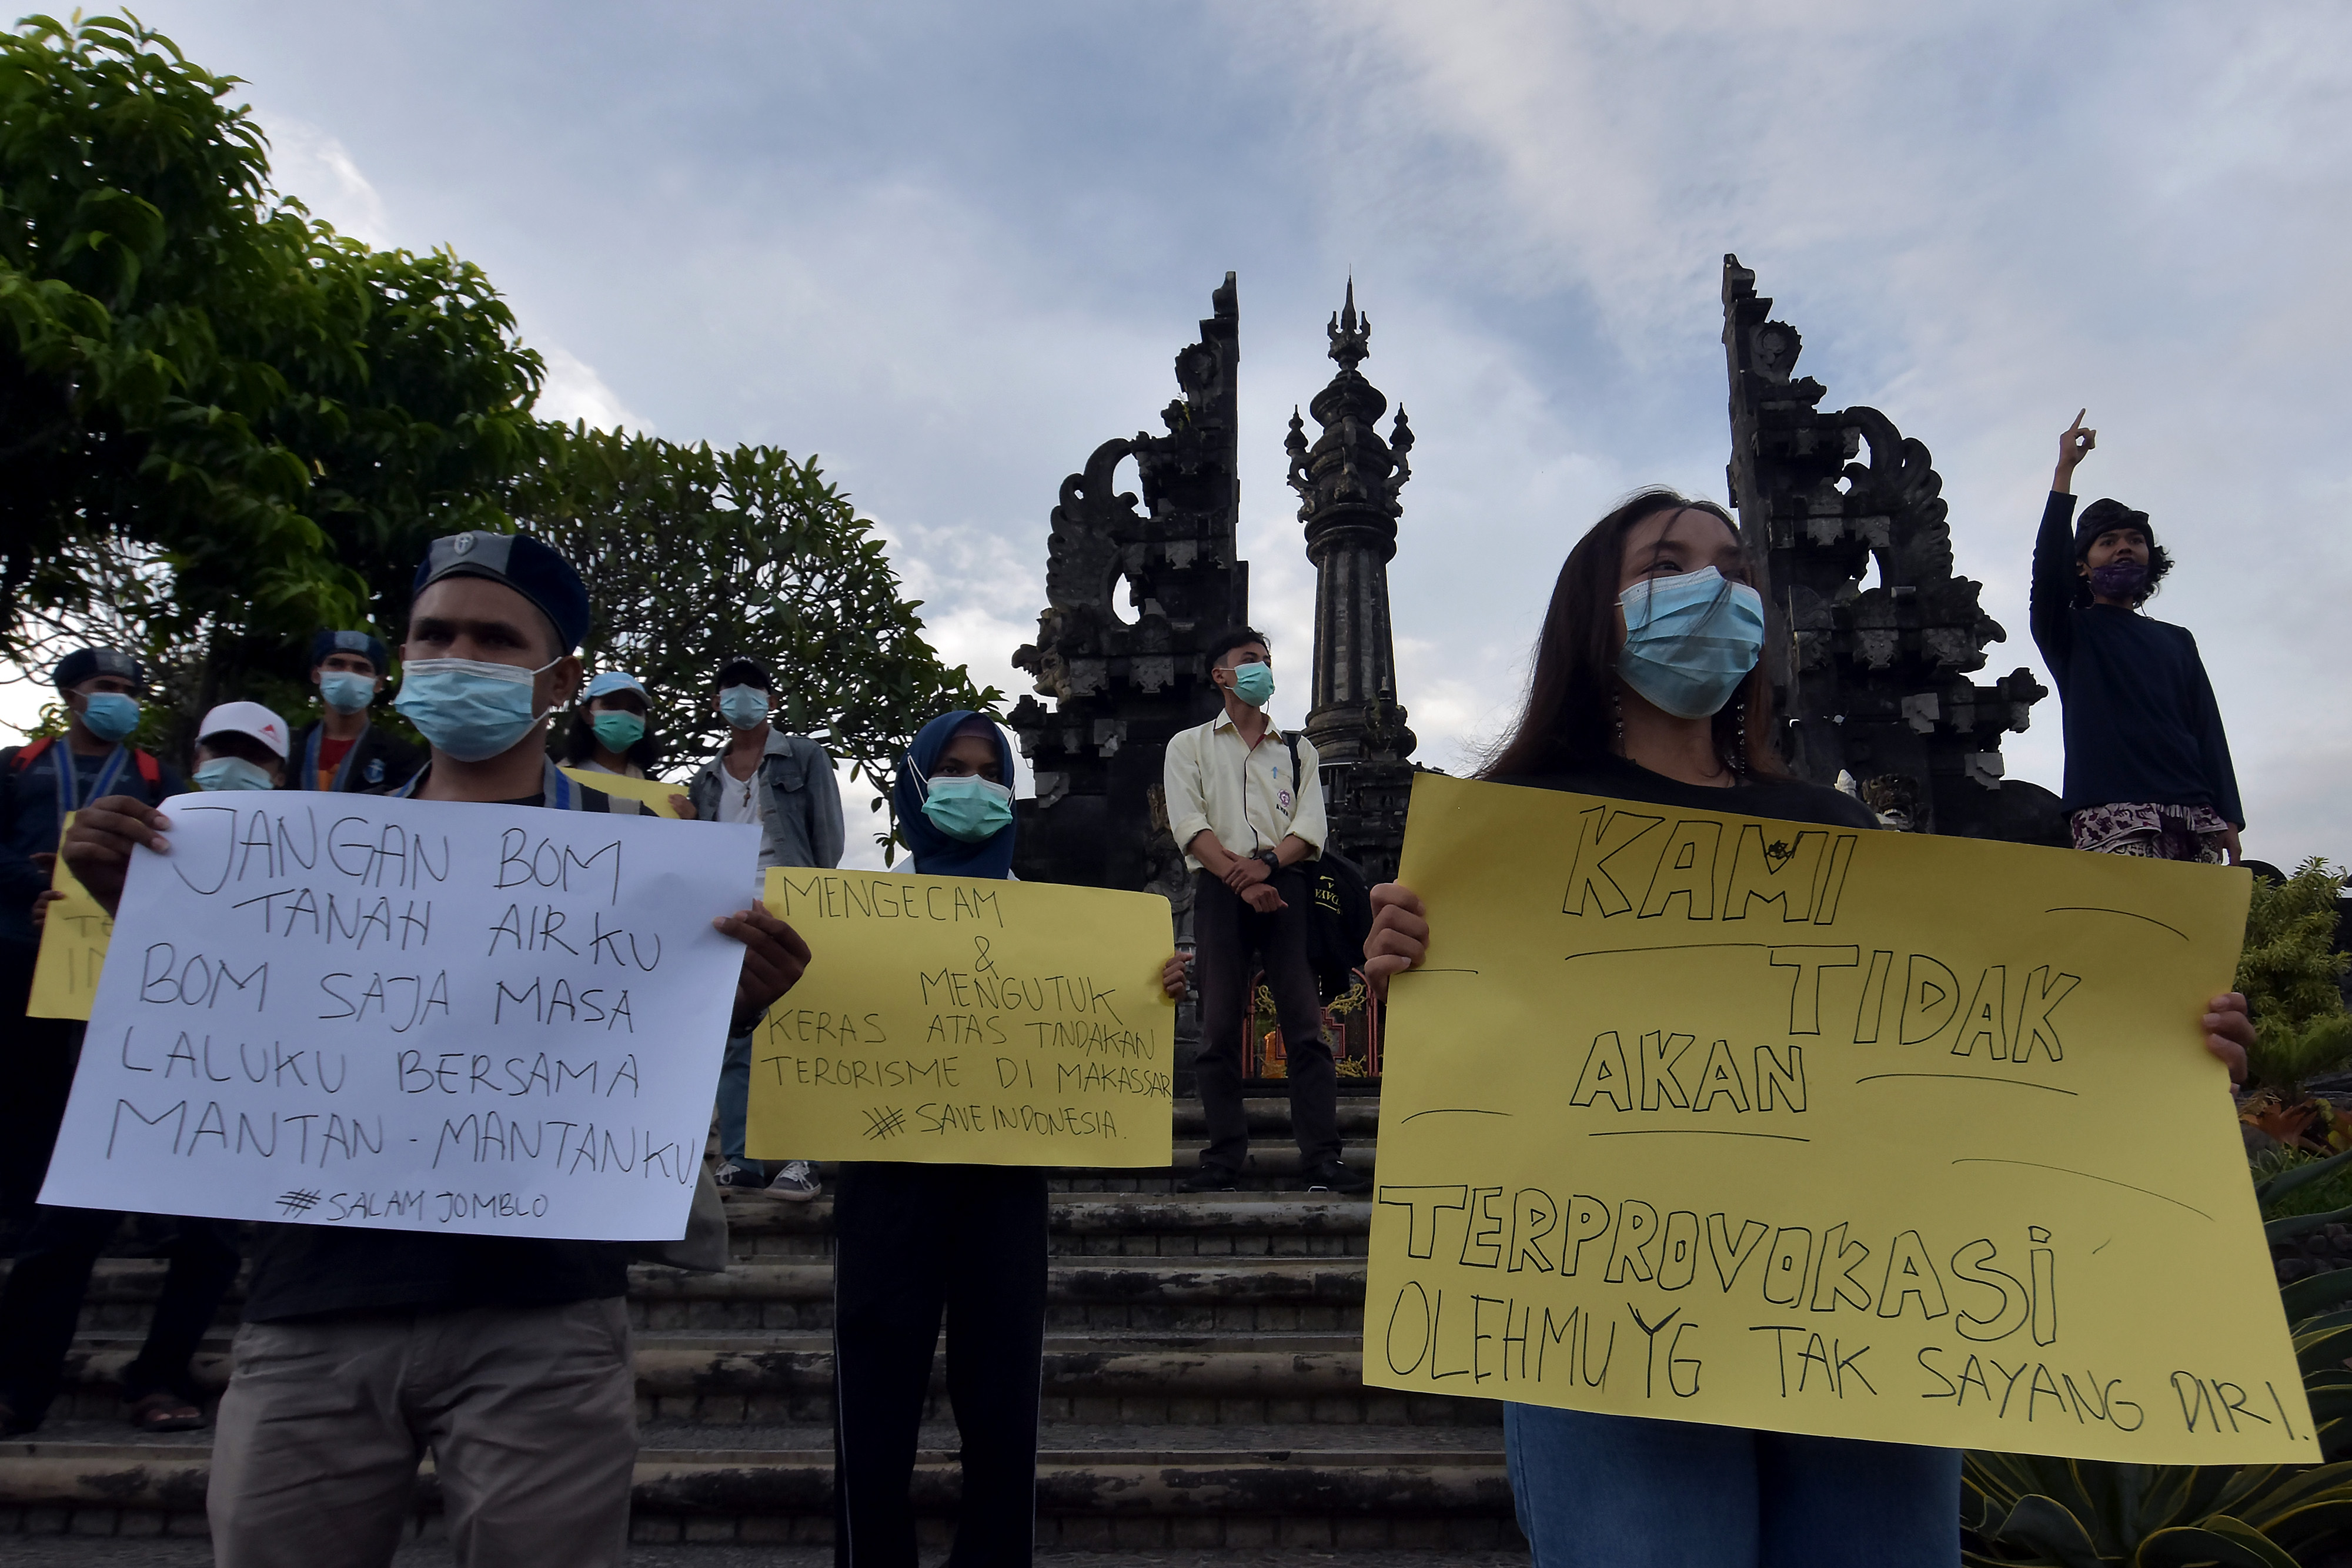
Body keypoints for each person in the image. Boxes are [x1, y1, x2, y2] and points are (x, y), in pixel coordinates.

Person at [1357, 487, 2260, 1568]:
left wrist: (2158, 1045)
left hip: (1858, 1314)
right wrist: (1410, 973)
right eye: (1665, 566)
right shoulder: (1507, 839)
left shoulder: (1833, 830)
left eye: (1735, 569)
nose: (1711, 589)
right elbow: (1472, 1088)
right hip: (1609, 1317)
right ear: (1593, 613)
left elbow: (1951, 1053)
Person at [59, 531, 813, 1568]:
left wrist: (737, 999)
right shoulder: (299, 850)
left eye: (496, 640)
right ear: (403, 655)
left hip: (544, 1311)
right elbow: (251, 1025)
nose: (460, 656)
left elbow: (640, 1050)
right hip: (314, 1306)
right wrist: (151, 912)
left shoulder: (652, 862)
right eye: (436, 634)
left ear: (561, 679)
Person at [831, 710, 1188, 1566]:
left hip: (1002, 1175)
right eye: (953, 769)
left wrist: (1149, 985)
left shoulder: (1045, 921)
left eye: (990, 772)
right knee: (873, 1393)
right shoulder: (861, 912)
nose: (974, 786)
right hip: (888, 1175)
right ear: (917, 784)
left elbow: (1086, 1020)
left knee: (1001, 1396)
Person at [0, 700, 283, 1435]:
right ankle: (20, 1387)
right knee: (62, 1233)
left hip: (232, 1076)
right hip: (130, 1066)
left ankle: (159, 1375)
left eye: (255, 756)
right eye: (221, 751)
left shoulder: (311, 859)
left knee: (210, 1244)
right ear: (195, 758)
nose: (236, 766)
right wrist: (71, 911)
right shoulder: (143, 841)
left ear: (279, 774)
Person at [1164, 627, 1367, 1195]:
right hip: (1220, 889)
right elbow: (1190, 825)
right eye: (1249, 659)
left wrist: (1269, 865)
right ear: (1221, 675)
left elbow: (1310, 828)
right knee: (1218, 1027)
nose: (1263, 669)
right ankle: (1223, 1157)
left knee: (1305, 1025)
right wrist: (1242, 878)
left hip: (1288, 887)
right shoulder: (1190, 746)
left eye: (1267, 660)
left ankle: (1322, 1158)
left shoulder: (1298, 750)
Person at [0, 648, 183, 1219]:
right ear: (72, 695)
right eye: (106, 687)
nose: (119, 700)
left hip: (107, 955)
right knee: (21, 1080)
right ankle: (18, 1210)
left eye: (129, 691)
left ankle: (98, 1209)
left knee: (99, 1082)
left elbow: (171, 855)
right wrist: (39, 882)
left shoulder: (154, 775)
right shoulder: (17, 765)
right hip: (21, 946)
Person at [2034, 412, 2244, 863]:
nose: (2124, 547)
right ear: (2082, 566)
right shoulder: (2069, 632)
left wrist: (2230, 815)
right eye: (2108, 542)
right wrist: (2064, 471)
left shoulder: (2178, 641)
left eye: (2135, 540)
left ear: (2151, 558)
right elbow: (2047, 576)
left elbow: (2207, 728)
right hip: (2112, 812)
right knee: (2127, 912)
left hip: (2195, 813)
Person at [688, 657, 843, 1199]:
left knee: (802, 1031)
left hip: (793, 900)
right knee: (734, 1035)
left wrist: (815, 898)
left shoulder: (804, 755)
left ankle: (803, 1158)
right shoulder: (705, 778)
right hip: (729, 909)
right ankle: (740, 1158)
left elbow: (828, 834)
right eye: (731, 688)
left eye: (753, 688)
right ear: (717, 702)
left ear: (770, 700)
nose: (742, 696)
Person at [285, 630, 421, 794]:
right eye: (336, 664)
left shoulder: (402, 756)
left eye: (361, 668)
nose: (348, 673)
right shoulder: (288, 747)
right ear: (317, 675)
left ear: (378, 684)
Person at [559, 670, 695, 818]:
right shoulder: (554, 777)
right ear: (586, 714)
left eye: (634, 709)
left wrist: (693, 820)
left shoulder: (656, 792)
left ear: (644, 722)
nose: (623, 715)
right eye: (611, 706)